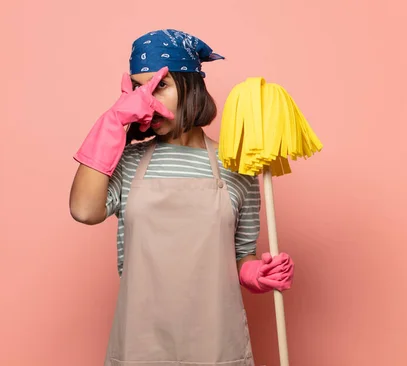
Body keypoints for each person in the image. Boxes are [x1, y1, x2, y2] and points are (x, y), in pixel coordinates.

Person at [69, 29, 294, 366]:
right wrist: (113, 120)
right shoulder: (128, 162)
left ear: (190, 87)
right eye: (137, 87)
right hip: (140, 344)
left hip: (217, 345)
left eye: (159, 85)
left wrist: (255, 274)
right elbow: (84, 211)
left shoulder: (237, 166)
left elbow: (241, 255)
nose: (147, 99)